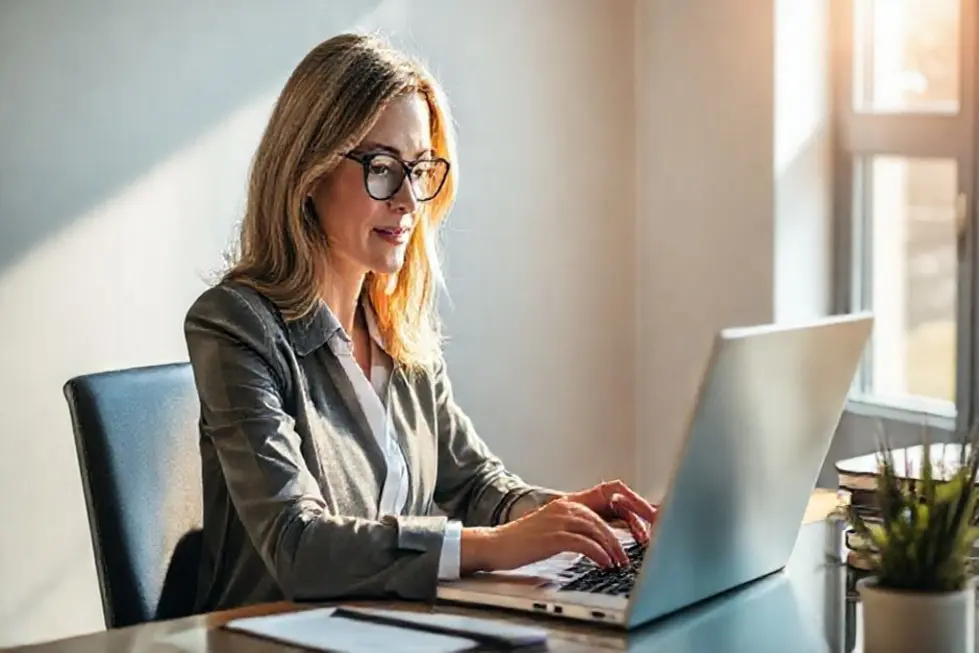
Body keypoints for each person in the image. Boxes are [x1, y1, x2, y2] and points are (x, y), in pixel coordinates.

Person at [184, 32, 657, 613]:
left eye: (420, 168)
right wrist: (493, 546)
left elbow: (476, 485)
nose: (409, 199)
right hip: (271, 637)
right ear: (309, 172)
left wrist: (570, 516)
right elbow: (297, 544)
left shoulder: (397, 329)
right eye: (383, 168)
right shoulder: (236, 325)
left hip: (389, 630)